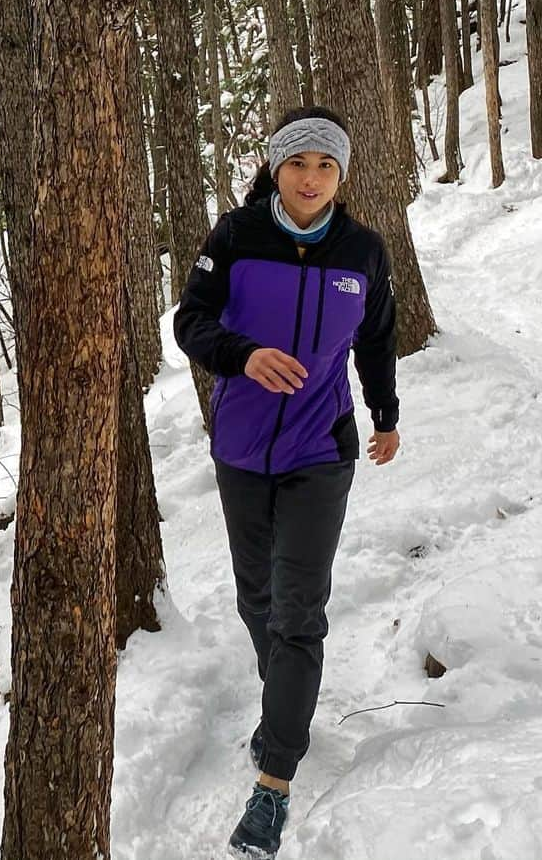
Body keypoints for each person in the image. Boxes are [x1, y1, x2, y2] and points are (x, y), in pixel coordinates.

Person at [173, 107, 401, 858]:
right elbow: (191, 322)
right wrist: (241, 355)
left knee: (298, 611)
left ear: (343, 176)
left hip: (320, 451)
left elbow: (377, 337)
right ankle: (286, 707)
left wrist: (385, 414)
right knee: (257, 598)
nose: (310, 179)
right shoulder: (236, 238)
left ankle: (274, 780)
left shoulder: (362, 250)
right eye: (298, 163)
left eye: (325, 166)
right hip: (240, 448)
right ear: (275, 167)